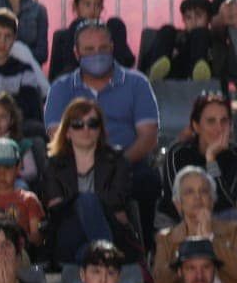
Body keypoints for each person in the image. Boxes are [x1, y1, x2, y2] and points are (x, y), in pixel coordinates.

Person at [43, 20, 162, 234]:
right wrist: (91, 165)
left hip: (127, 163)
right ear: (77, 53)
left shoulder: (137, 83)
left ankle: (144, 247)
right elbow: (56, 134)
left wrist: (117, 164)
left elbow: (148, 137)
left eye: (103, 48)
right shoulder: (60, 88)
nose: (97, 54)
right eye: (89, 50)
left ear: (112, 48)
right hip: (76, 165)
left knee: (148, 181)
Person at [38, 100, 144, 264]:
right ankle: (107, 259)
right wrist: (85, 203)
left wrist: (84, 203)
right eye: (78, 124)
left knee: (88, 204)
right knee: (86, 201)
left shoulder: (117, 160)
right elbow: (57, 209)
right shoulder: (53, 165)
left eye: (92, 124)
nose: (86, 129)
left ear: (100, 129)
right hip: (68, 231)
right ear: (67, 132)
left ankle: (96, 258)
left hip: (110, 225)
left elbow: (116, 202)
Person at [150, 166, 237, 283]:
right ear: (178, 204)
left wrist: (211, 238)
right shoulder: (166, 238)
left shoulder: (232, 229)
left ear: (212, 201)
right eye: (189, 192)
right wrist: (186, 251)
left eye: (204, 191)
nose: (197, 197)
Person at [156, 91, 237, 226]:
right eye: (211, 121)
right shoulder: (178, 153)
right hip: (177, 220)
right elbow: (175, 201)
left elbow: (226, 204)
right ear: (196, 126)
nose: (219, 128)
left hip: (219, 221)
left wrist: (211, 159)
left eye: (224, 121)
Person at [48, 0, 135, 80]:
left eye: (97, 5)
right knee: (79, 24)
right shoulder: (68, 34)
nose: (92, 10)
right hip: (77, 77)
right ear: (75, 7)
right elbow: (60, 70)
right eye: (87, 5)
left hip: (109, 75)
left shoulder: (111, 30)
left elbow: (128, 60)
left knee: (115, 22)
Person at [143, 0, 232, 84]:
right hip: (172, 74)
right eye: (188, 17)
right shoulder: (174, 37)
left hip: (201, 78)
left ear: (208, 18)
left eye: (198, 15)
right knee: (167, 29)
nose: (193, 21)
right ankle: (156, 67)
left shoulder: (214, 40)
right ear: (183, 20)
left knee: (199, 34)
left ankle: (200, 69)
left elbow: (222, 65)